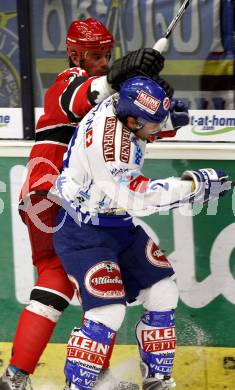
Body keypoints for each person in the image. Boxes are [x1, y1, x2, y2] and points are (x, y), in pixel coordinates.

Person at [0, 18, 166, 390]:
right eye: (96, 56)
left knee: (60, 278)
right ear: (74, 53)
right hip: (58, 194)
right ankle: (89, 374)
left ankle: (16, 376)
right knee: (102, 279)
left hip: (53, 196)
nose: (104, 62)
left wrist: (158, 94)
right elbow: (87, 94)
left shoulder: (108, 95)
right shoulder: (68, 81)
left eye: (109, 55)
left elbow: (140, 120)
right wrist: (128, 70)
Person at [52, 75, 230, 390]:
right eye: (153, 125)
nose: (157, 131)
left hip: (116, 223)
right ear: (132, 121)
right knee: (108, 312)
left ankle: (157, 381)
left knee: (163, 292)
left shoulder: (124, 108)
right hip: (83, 231)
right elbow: (138, 197)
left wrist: (164, 119)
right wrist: (192, 186)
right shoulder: (111, 151)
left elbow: (141, 121)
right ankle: (77, 387)